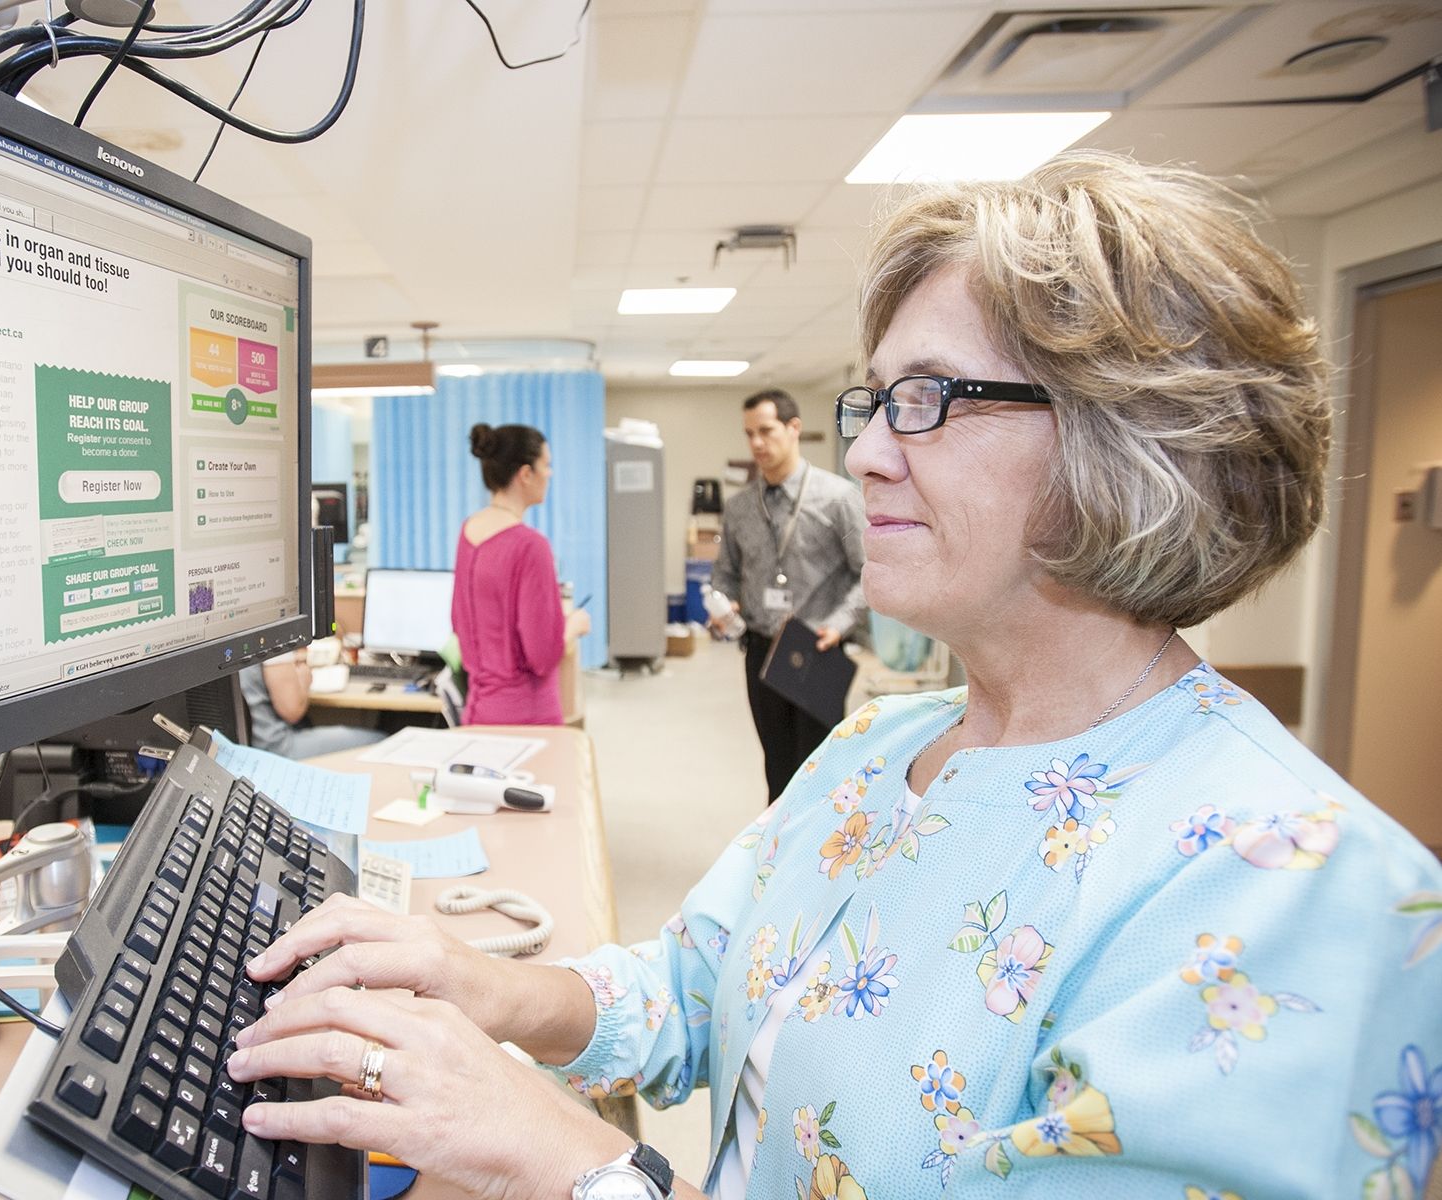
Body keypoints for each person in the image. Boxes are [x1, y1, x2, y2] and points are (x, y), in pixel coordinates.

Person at [222, 154, 1442, 1197]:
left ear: (1131, 440)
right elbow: (690, 991)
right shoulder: (882, 747)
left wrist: (572, 1162)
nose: (862, 450)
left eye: (925, 402)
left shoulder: (1288, 896)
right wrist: (486, 986)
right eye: (873, 401)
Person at [710, 389, 868, 804]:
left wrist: (836, 626)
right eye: (749, 434)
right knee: (776, 767)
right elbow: (725, 573)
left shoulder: (837, 498)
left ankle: (819, 862)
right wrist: (724, 606)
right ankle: (776, 862)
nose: (757, 443)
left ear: (793, 428)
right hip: (760, 649)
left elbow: (869, 573)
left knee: (818, 771)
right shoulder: (741, 507)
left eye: (766, 431)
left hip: (815, 648)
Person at [450, 422, 591, 725]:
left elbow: (459, 621)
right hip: (527, 718)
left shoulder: (468, 532)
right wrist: (574, 625)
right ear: (526, 474)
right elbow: (542, 654)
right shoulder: (531, 546)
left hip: (478, 712)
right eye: (546, 465)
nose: (550, 474)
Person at [238, 648, 385, 759]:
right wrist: (304, 679)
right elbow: (292, 711)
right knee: (381, 741)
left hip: (240, 747)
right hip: (274, 748)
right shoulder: (272, 637)